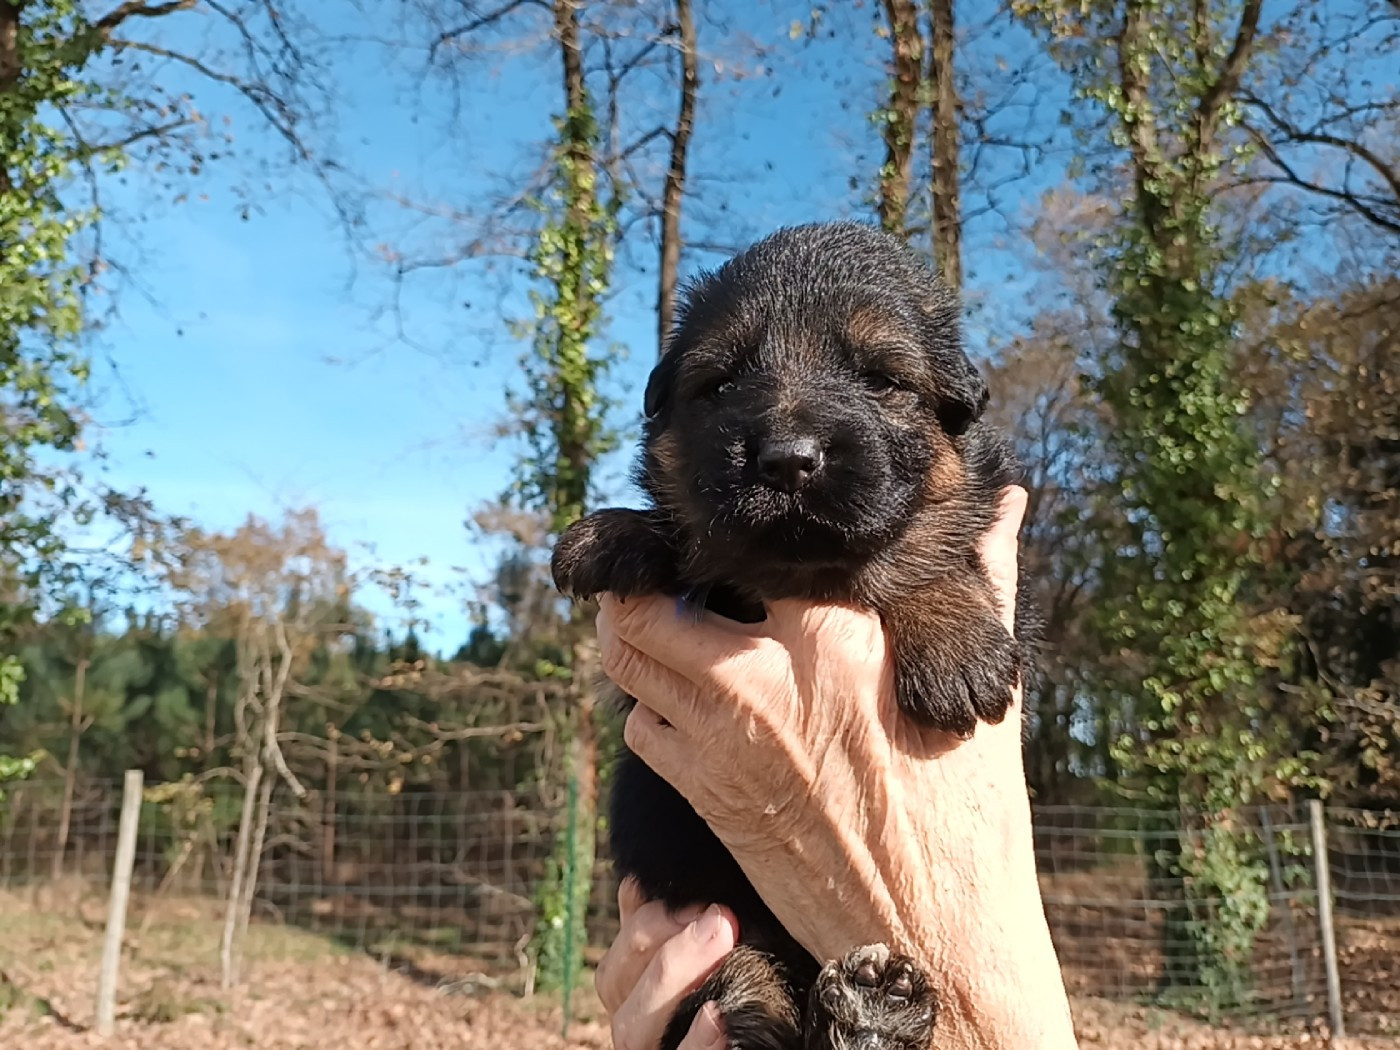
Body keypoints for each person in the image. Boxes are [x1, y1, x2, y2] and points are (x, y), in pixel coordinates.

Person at [588, 486, 1080, 1050]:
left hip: (761, 952)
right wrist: (663, 549)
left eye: (886, 390)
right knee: (743, 1008)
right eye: (720, 390)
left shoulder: (938, 548)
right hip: (725, 933)